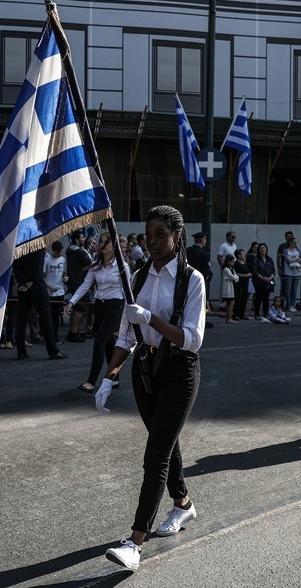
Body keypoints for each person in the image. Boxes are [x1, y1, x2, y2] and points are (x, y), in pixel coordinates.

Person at [94, 205, 206, 571]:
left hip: (179, 370)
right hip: (144, 369)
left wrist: (152, 319)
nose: (153, 242)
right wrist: (109, 375)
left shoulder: (192, 280)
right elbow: (127, 335)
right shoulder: (138, 277)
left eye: (161, 235)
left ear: (177, 237)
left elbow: (192, 339)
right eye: (148, 235)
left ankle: (135, 542)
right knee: (165, 442)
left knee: (155, 454)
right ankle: (184, 505)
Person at [66, 232, 127, 391]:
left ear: (114, 245)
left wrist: (129, 316)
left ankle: (92, 382)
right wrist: (71, 302)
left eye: (106, 241)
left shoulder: (122, 266)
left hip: (116, 306)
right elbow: (85, 285)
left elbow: (128, 291)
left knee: (100, 341)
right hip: (99, 305)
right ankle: (115, 377)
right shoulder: (95, 265)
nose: (102, 244)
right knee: (108, 343)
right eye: (101, 241)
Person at [14, 247, 67, 361]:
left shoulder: (19, 246)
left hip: (23, 287)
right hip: (37, 286)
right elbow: (37, 270)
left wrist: (22, 283)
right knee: (46, 318)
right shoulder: (38, 247)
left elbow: (16, 267)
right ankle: (53, 351)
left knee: (21, 320)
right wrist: (29, 283)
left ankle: (21, 351)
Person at [65, 230, 92, 342]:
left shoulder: (69, 251)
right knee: (79, 309)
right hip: (79, 283)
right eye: (81, 237)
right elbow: (91, 264)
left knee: (78, 308)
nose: (83, 239)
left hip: (73, 282)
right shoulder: (81, 253)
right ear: (76, 240)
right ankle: (74, 332)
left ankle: (75, 331)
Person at [43, 240, 67, 345]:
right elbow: (41, 277)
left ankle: (55, 337)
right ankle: (48, 337)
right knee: (49, 316)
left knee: (56, 316)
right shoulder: (47, 260)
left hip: (60, 291)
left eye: (61, 252)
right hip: (49, 291)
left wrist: (66, 277)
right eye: (58, 252)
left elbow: (65, 273)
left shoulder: (63, 260)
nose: (60, 254)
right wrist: (49, 287)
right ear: (54, 251)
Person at [250, 243, 276, 321]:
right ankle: (257, 314)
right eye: (261, 248)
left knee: (266, 298)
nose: (263, 249)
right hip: (258, 281)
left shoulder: (269, 259)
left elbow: (273, 270)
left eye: (264, 248)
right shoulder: (256, 258)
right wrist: (262, 278)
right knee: (258, 297)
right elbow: (254, 270)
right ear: (258, 250)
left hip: (268, 281)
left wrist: (270, 277)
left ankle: (265, 314)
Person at [280, 237, 301, 312]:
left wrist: (298, 259)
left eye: (296, 242)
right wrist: (296, 259)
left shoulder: (298, 250)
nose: (295, 244)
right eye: (294, 242)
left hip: (297, 272)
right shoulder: (285, 250)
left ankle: (293, 305)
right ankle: (289, 305)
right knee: (288, 289)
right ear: (290, 243)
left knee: (294, 290)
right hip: (288, 272)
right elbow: (288, 260)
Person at [232, 248, 252, 320]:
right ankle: (236, 314)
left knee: (244, 299)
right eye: (242, 254)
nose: (244, 255)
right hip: (239, 283)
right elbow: (238, 274)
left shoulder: (245, 263)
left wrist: (248, 275)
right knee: (238, 299)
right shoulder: (236, 264)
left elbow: (249, 271)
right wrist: (247, 275)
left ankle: (242, 314)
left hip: (246, 283)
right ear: (238, 255)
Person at [221, 255, 238, 323]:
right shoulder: (226, 269)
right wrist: (235, 278)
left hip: (232, 287)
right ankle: (229, 317)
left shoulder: (232, 269)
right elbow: (234, 277)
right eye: (232, 261)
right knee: (230, 302)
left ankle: (229, 317)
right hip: (228, 288)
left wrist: (235, 278)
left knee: (231, 302)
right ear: (228, 262)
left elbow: (236, 277)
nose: (233, 262)